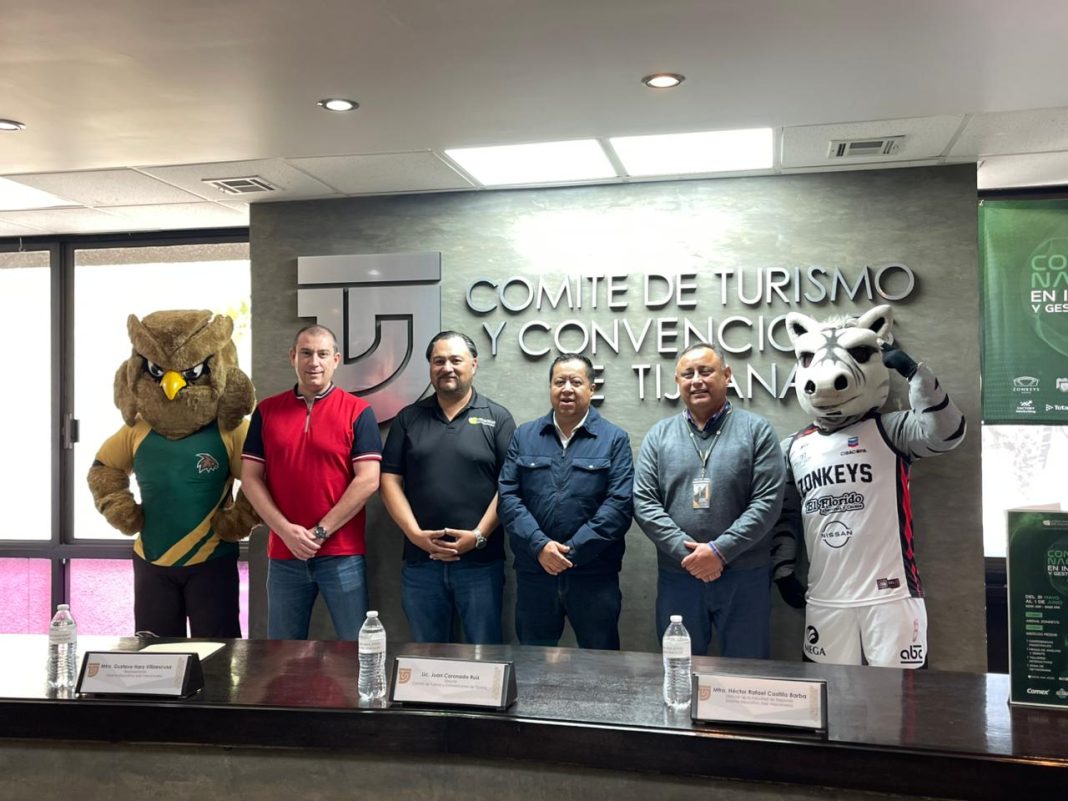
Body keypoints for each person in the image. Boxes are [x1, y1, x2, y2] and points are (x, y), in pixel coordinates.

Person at [633, 343, 785, 658]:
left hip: (745, 574)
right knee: (679, 667)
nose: (697, 381)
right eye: (688, 374)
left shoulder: (757, 431)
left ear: (726, 375)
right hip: (679, 574)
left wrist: (719, 551)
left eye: (706, 371)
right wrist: (689, 554)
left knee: (748, 668)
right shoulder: (659, 435)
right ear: (677, 382)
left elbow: (767, 502)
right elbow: (644, 503)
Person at [241, 325, 382, 640]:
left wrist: (320, 532)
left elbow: (369, 480)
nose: (313, 362)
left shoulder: (358, 411)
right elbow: (250, 478)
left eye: (322, 354)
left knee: (356, 648)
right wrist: (285, 530)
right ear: (293, 356)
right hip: (284, 554)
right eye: (306, 353)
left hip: (342, 554)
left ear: (336, 360)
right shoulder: (267, 411)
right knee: (282, 653)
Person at [380, 331, 516, 644]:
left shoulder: (497, 418)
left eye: (456, 360)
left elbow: (509, 485)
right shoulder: (408, 418)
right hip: (421, 562)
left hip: (481, 563)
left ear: (474, 365)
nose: (447, 368)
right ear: (430, 367)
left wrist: (478, 536)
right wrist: (415, 535)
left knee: (484, 653)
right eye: (438, 361)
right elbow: (389, 480)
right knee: (427, 654)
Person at [498, 353, 633, 650]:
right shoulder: (525, 436)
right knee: (534, 660)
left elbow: (619, 505)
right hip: (536, 573)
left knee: (601, 662)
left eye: (576, 382)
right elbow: (508, 497)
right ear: (550, 387)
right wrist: (540, 546)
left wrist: (572, 551)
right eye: (559, 382)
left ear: (592, 389)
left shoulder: (614, 439)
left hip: (594, 575)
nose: (567, 389)